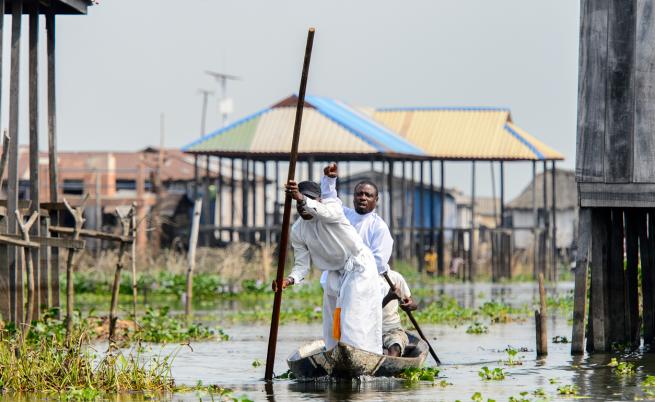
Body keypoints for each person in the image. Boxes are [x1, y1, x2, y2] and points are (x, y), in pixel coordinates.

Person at [275, 176, 382, 354]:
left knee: (351, 319)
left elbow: (324, 210)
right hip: (334, 271)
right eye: (299, 201)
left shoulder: (332, 211)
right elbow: (302, 265)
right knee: (331, 320)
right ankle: (334, 355)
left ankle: (362, 355)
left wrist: (301, 197)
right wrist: (289, 280)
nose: (302, 205)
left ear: (319, 200)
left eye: (308, 199)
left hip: (358, 266)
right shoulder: (297, 230)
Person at [320, 163, 416, 356]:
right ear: (354, 197)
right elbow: (330, 202)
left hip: (362, 280)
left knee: (359, 326)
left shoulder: (378, 227)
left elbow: (377, 263)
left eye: (368, 195)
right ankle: (334, 352)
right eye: (359, 194)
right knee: (334, 325)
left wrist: (354, 269)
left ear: (376, 200)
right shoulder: (345, 215)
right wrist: (330, 181)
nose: (363, 198)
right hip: (338, 279)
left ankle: (365, 357)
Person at [381, 270, 417, 356]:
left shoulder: (395, 277)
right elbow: (369, 312)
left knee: (395, 347)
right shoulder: (363, 277)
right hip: (368, 329)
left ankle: (389, 366)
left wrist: (410, 305)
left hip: (390, 329)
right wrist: (388, 298)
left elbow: (413, 303)